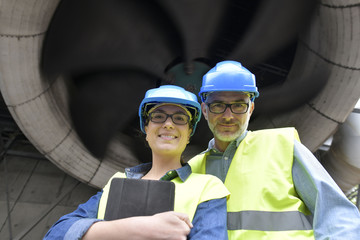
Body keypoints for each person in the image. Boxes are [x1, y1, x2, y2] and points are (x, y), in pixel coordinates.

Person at [188, 60, 360, 239]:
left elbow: (336, 213)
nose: (228, 116)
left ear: (251, 109)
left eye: (239, 105)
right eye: (218, 105)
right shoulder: (192, 170)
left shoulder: (283, 146)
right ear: (205, 111)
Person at [44, 85, 230, 240]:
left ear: (189, 134)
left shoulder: (208, 188)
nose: (168, 124)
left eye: (180, 118)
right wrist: (141, 227)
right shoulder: (116, 182)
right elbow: (56, 234)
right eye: (158, 116)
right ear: (146, 129)